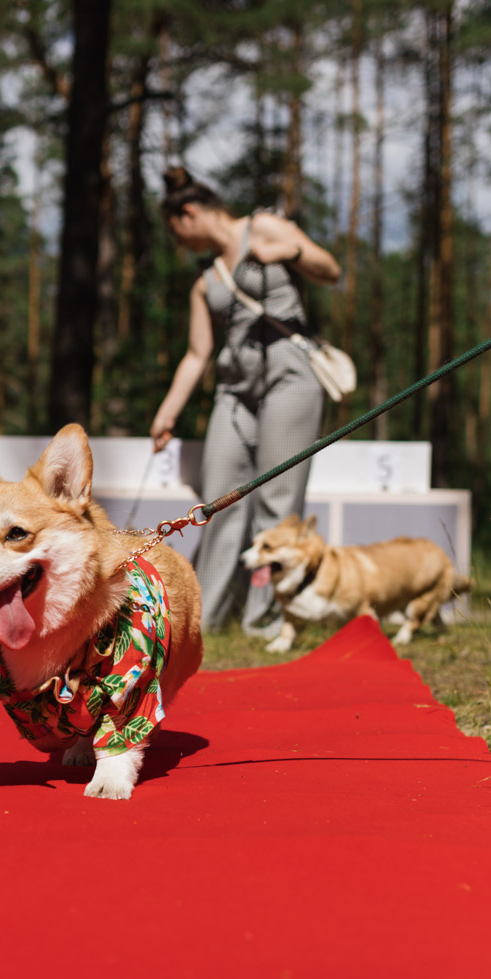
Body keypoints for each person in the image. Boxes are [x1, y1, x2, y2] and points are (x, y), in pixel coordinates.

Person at [149, 166, 341, 635]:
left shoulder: (264, 226)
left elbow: (331, 270)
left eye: (179, 233)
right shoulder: (205, 278)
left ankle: (265, 621)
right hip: (234, 391)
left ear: (189, 214)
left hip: (289, 379)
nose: (182, 244)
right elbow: (198, 354)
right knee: (219, 500)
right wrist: (167, 412)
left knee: (278, 502)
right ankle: (206, 622)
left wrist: (287, 251)